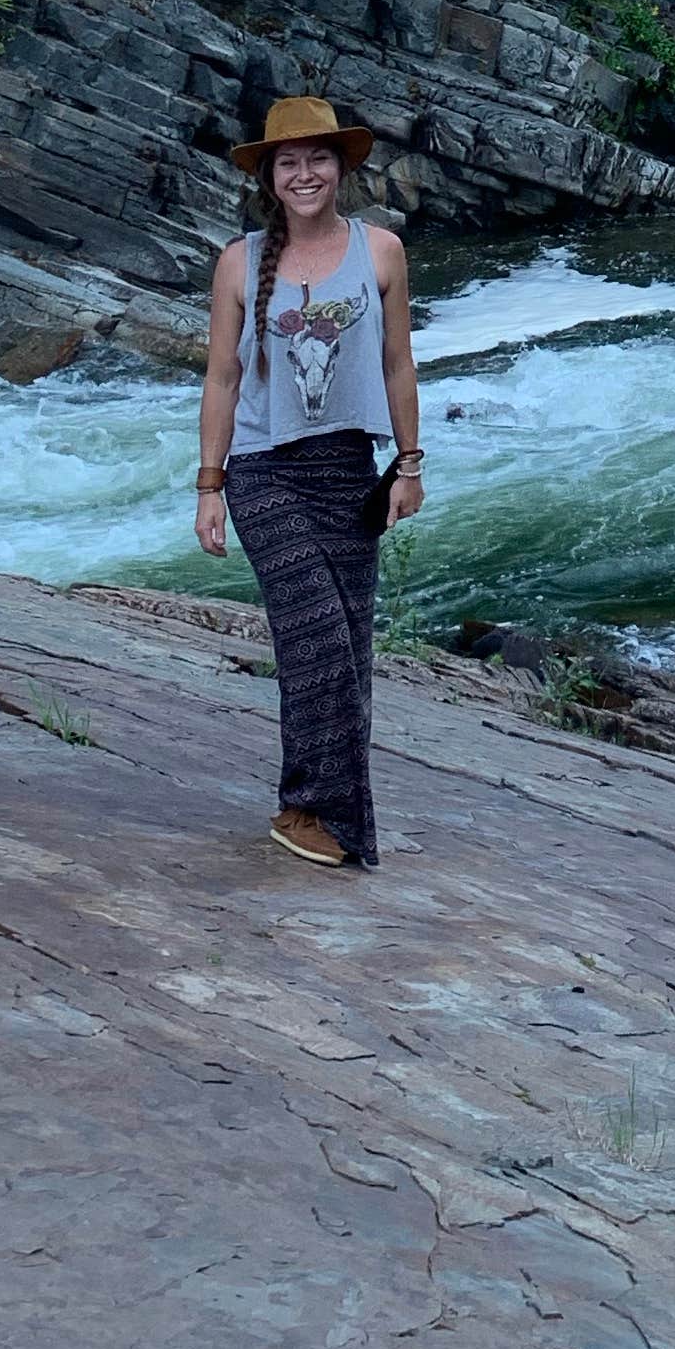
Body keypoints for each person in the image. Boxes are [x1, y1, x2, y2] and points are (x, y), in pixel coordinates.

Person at [195, 95, 424, 868]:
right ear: (269, 175)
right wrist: (208, 486)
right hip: (262, 473)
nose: (304, 173)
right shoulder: (239, 260)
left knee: (349, 648)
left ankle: (304, 808)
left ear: (341, 167)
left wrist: (411, 464)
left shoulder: (381, 251)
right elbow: (222, 378)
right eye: (287, 162)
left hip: (349, 469)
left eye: (318, 159)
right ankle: (323, 811)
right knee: (318, 635)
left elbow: (398, 363)